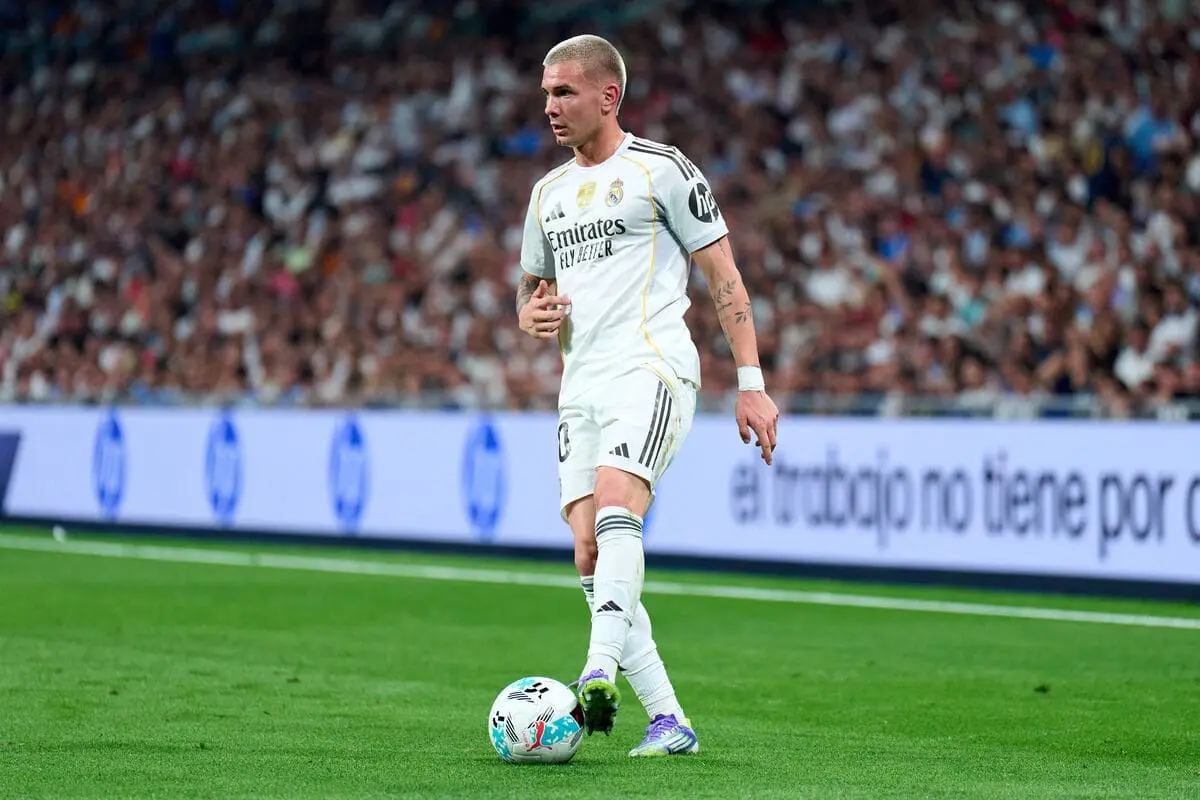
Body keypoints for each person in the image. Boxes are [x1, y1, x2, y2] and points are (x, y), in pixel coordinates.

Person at [516, 34, 779, 757]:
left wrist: (752, 386)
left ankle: (596, 670)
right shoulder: (548, 194)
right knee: (587, 555)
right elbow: (530, 285)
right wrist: (527, 313)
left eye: (564, 92)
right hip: (583, 386)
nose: (550, 107)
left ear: (609, 96)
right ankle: (670, 721)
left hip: (653, 367)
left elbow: (725, 280)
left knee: (613, 507)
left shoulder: (662, 171)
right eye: (545, 94)